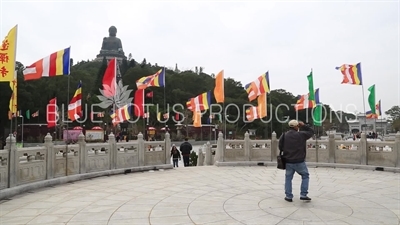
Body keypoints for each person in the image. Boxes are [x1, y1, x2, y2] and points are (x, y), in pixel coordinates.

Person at [279, 120, 314, 202]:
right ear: (296, 126)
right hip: (299, 161)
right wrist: (304, 125)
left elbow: (280, 147)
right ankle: (303, 194)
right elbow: (311, 132)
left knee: (288, 178)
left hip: (288, 161)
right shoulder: (301, 135)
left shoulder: (284, 135)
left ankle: (288, 196)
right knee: (305, 176)